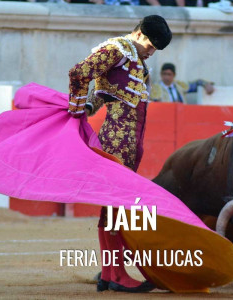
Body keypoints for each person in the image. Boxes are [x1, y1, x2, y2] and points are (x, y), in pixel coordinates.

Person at [68, 15, 172, 292]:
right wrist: (78, 106)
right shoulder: (116, 49)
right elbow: (79, 72)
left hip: (130, 139)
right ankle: (117, 276)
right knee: (118, 205)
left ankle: (108, 273)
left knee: (114, 204)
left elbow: (105, 90)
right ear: (139, 34)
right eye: (150, 45)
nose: (151, 51)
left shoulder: (135, 60)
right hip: (117, 137)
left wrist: (90, 106)